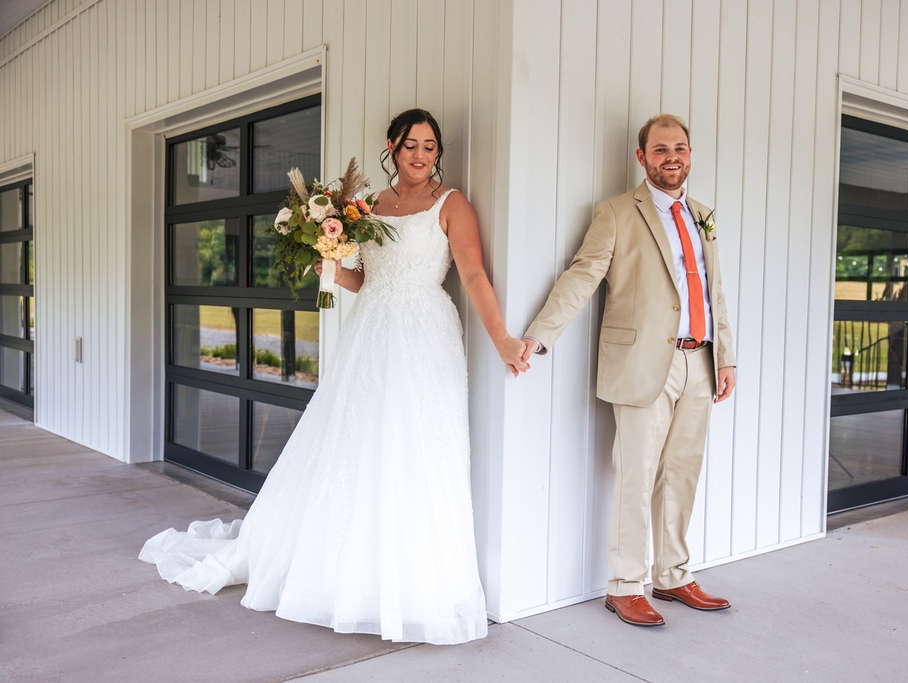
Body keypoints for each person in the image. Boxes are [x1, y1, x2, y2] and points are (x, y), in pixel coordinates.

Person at [140, 109, 529, 645]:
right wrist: (325, 257)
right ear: (391, 146)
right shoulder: (366, 207)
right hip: (370, 331)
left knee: (418, 445)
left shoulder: (452, 204)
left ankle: (413, 581)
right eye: (411, 144)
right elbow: (361, 278)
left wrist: (503, 338)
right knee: (356, 442)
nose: (421, 154)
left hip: (424, 335)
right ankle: (348, 570)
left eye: (431, 146)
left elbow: (474, 274)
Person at [521, 114, 736, 627]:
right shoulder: (617, 212)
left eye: (680, 148)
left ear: (690, 153)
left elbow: (714, 293)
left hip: (700, 362)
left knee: (682, 475)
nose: (672, 157)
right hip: (643, 363)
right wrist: (539, 334)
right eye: (660, 149)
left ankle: (674, 575)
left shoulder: (703, 215)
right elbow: (583, 275)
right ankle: (625, 586)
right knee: (637, 476)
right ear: (642, 157)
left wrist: (726, 355)